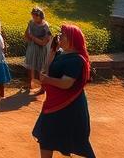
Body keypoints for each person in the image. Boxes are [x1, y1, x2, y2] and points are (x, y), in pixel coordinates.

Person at [31, 23, 96, 158]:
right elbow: (47, 71)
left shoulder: (76, 60)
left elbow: (66, 84)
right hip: (53, 103)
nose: (59, 36)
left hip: (70, 107)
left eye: (63, 34)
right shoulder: (60, 53)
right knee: (45, 136)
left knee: (77, 140)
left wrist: (47, 80)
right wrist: (52, 52)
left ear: (72, 39)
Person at [23, 6, 52, 94]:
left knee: (40, 68)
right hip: (32, 47)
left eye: (35, 17)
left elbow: (44, 42)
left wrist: (32, 37)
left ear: (40, 16)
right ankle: (30, 84)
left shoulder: (46, 26)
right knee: (30, 65)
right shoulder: (31, 22)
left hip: (41, 49)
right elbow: (26, 34)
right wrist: (28, 37)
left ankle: (42, 88)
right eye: (33, 16)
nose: (34, 18)